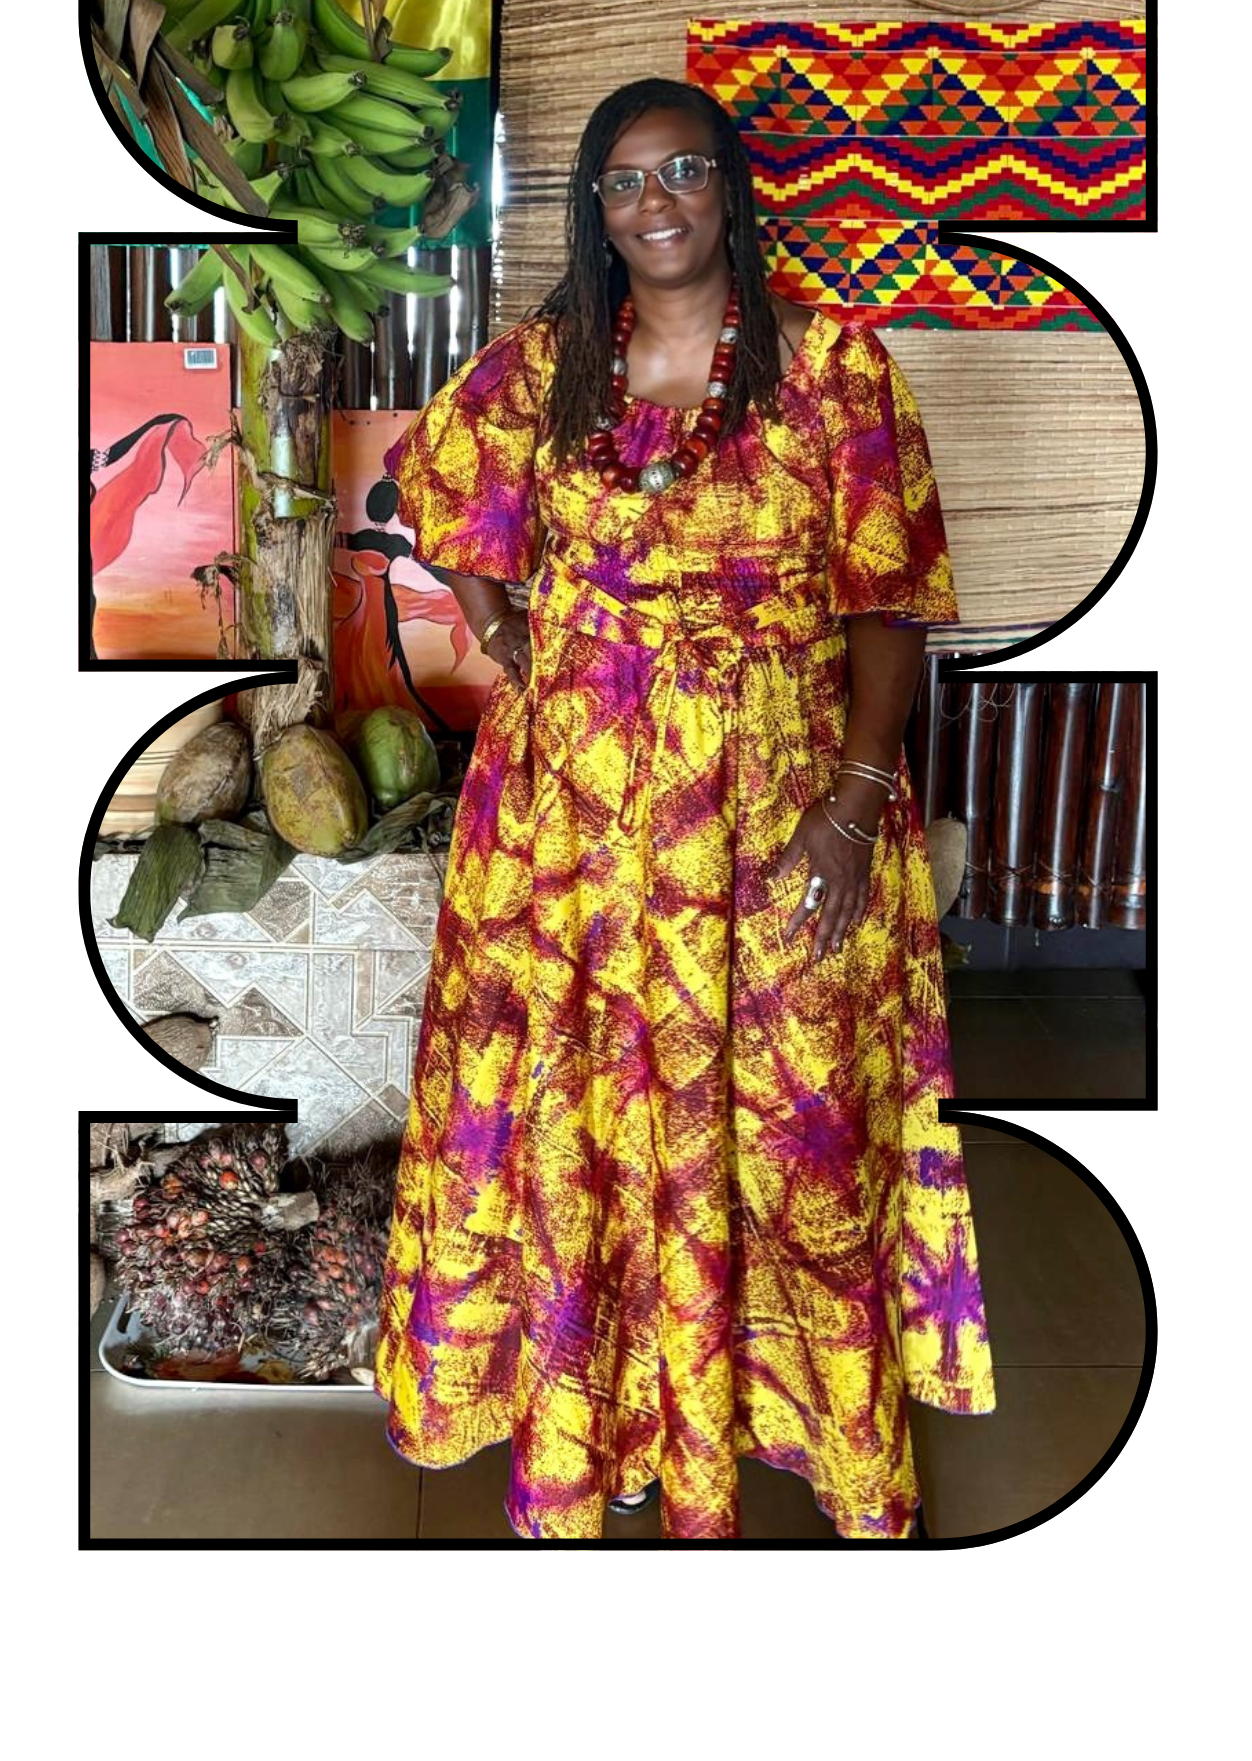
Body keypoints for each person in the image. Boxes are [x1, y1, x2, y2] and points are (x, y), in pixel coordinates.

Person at [374, 78, 995, 1541]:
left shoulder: (832, 368)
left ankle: (793, 1428)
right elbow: (442, 488)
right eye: (623, 182)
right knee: (583, 1121)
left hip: (779, 804)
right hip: (572, 830)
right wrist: (504, 633)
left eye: (683, 174)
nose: (654, 204)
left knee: (794, 1128)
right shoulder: (543, 369)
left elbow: (888, 606)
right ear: (595, 210)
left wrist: (850, 808)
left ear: (730, 192)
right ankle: (624, 1422)